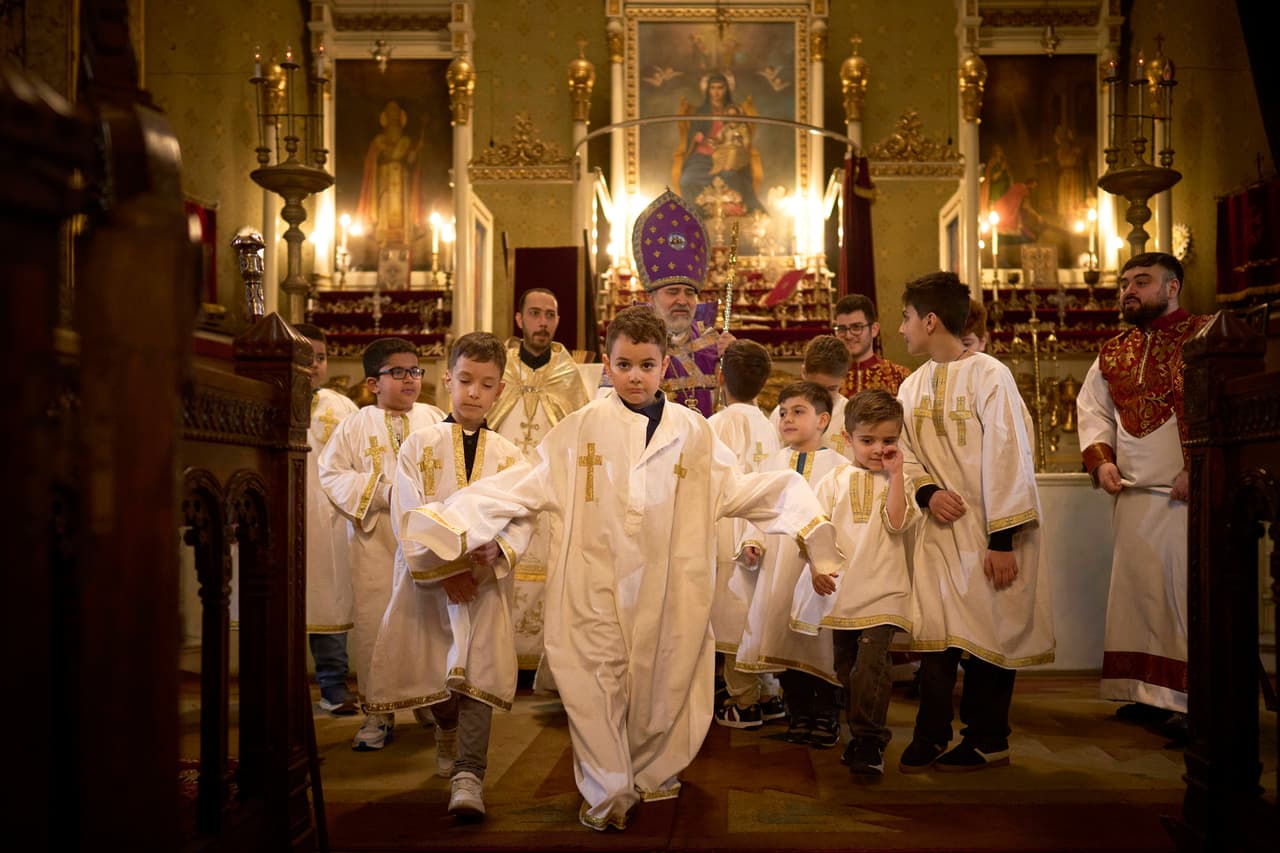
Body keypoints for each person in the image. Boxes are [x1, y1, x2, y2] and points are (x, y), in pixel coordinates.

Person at [400, 305, 845, 832]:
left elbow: (744, 489)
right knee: (593, 684)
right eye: (624, 365)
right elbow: (522, 484)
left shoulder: (693, 432)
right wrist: (452, 523)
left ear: (664, 367)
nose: (636, 376)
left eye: (647, 365)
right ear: (607, 367)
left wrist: (811, 528)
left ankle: (652, 769)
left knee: (666, 681)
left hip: (670, 583)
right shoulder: (580, 428)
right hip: (592, 583)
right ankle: (606, 784)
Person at [363, 332, 531, 820]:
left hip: (483, 585)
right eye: (465, 381)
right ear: (448, 380)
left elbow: (522, 515)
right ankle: (445, 728)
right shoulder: (420, 444)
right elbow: (408, 510)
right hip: (431, 588)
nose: (474, 393)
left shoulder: (509, 454)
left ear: (500, 390)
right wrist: (443, 571)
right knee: (435, 670)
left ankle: (469, 776)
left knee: (477, 674)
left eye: (486, 384)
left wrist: (498, 547)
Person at [895, 271, 1055, 773]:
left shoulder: (990, 374)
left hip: (989, 533)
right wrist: (927, 492)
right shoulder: (911, 384)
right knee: (938, 639)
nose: (900, 329)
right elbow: (905, 453)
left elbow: (1010, 455)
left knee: (989, 638)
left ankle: (989, 738)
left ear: (930, 320)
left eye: (905, 318)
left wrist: (1003, 539)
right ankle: (932, 732)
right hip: (939, 532)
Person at [1075, 252, 1210, 733]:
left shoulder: (1205, 337)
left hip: (1185, 495)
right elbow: (1093, 410)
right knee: (1136, 596)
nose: (1128, 290)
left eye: (1142, 282)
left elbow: (1216, 401)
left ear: (1172, 287)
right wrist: (1102, 460)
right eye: (1125, 282)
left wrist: (1198, 466)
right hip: (1131, 494)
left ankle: (1191, 705)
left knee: (1178, 598)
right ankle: (1144, 693)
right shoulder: (1112, 351)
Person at [317, 336, 446, 751]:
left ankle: (430, 700)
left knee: (429, 623)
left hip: (426, 541)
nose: (410, 380)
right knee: (377, 626)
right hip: (375, 543)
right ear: (374, 383)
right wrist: (381, 492)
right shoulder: (355, 424)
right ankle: (377, 713)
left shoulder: (435, 417)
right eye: (398, 372)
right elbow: (331, 474)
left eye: (415, 371)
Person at [791, 389, 917, 778]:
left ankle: (869, 740)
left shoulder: (901, 479)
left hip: (884, 592)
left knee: (870, 669)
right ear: (848, 439)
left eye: (888, 440)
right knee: (846, 668)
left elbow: (898, 522)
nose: (879, 448)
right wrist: (815, 569)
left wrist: (896, 475)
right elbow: (814, 530)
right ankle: (859, 735)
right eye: (868, 441)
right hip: (842, 594)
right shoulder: (834, 480)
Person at [735, 381, 849, 748]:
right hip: (781, 565)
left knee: (821, 641)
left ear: (823, 420)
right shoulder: (774, 463)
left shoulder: (839, 468)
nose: (787, 419)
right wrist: (751, 541)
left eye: (798, 412)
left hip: (818, 570)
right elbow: (758, 509)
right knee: (785, 637)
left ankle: (827, 714)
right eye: (783, 412)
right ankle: (798, 712)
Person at [487, 288, 589, 675]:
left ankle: (544, 662)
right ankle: (500, 657)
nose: (542, 322)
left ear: (558, 321)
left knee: (550, 568)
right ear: (519, 319)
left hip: (550, 492)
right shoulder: (500, 369)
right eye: (534, 314)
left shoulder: (568, 376)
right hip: (505, 488)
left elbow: (582, 435)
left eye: (550, 314)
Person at [600, 189, 733, 416]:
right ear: (650, 297)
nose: (682, 300)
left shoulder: (710, 343)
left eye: (690, 293)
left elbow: (732, 414)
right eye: (672, 292)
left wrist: (734, 362)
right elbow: (608, 412)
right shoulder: (628, 340)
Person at [707, 340, 783, 729]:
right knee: (755, 612)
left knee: (732, 615)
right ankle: (769, 692)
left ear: (721, 378)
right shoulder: (770, 424)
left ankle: (744, 701)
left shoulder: (715, 425)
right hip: (763, 529)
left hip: (727, 531)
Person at [295, 323, 360, 715]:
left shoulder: (340, 406)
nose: (315, 366)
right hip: (280, 517)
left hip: (328, 519)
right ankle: (278, 690)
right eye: (307, 358)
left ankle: (333, 685)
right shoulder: (267, 396)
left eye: (320, 357)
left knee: (327, 602)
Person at [675, 73, 764, 216]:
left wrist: (734, 141)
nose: (716, 92)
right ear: (708, 90)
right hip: (702, 157)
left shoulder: (734, 111)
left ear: (726, 90)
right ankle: (696, 214)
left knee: (731, 176)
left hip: (726, 157)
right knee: (687, 179)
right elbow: (693, 135)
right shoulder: (701, 112)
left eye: (720, 88)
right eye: (712, 88)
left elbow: (742, 134)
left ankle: (734, 213)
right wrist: (698, 138)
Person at [768, 335, 854, 460]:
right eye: (817, 388)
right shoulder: (783, 414)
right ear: (804, 372)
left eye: (831, 389)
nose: (823, 397)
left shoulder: (851, 417)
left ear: (844, 378)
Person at [356, 100, 425, 248]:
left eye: (395, 111)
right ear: (384, 117)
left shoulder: (406, 141)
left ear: (401, 116)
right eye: (389, 111)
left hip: (402, 177)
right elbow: (371, 160)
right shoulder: (378, 140)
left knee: (404, 205)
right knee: (384, 202)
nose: (393, 115)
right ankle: (382, 237)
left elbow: (411, 161)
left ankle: (405, 236)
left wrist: (417, 151)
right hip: (384, 177)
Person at [833, 294, 913, 398]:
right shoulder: (828, 378)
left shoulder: (899, 377)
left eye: (856, 327)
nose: (848, 335)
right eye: (842, 329)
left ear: (874, 329)